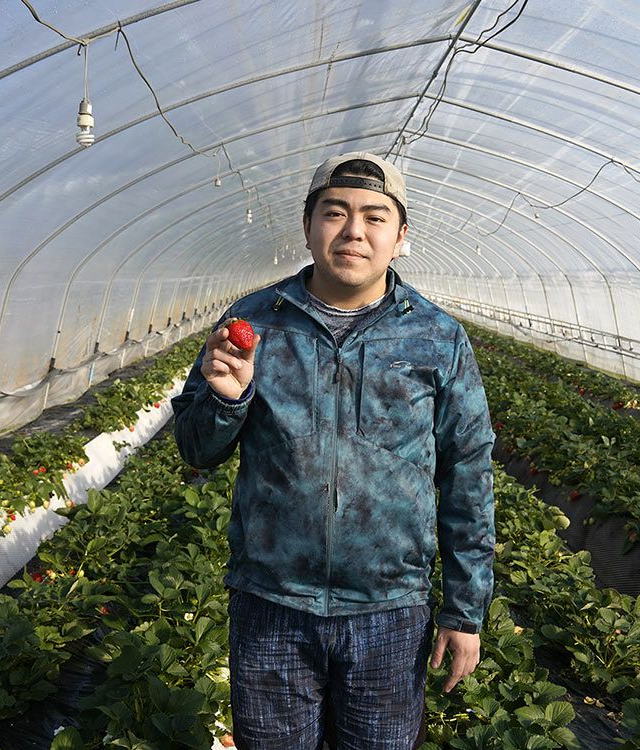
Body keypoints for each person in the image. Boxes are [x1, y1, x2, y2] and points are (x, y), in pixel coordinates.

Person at [171, 151, 495, 749]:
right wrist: (225, 400)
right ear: (308, 226)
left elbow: (467, 475)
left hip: (389, 608)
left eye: (375, 217)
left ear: (401, 236)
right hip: (272, 602)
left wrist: (464, 610)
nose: (353, 231)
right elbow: (196, 449)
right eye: (335, 212)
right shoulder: (255, 322)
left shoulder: (437, 337)